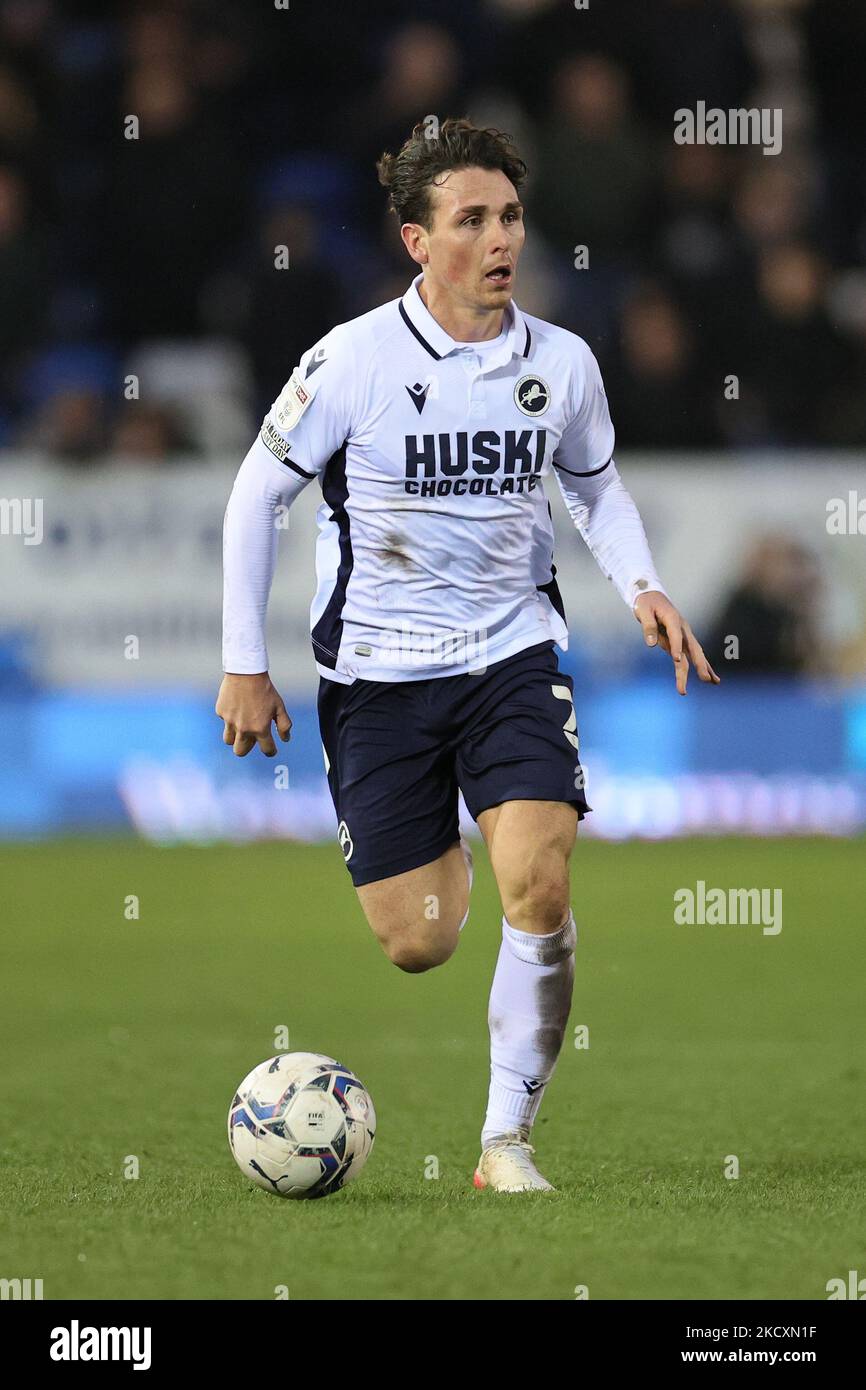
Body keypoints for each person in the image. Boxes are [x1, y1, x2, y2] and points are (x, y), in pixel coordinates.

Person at [217, 118, 719, 1193]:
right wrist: (242, 661)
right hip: (379, 678)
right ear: (416, 241)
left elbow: (591, 484)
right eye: (471, 220)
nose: (500, 240)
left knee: (537, 883)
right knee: (421, 940)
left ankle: (503, 1144)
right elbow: (257, 494)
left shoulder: (562, 363)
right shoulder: (351, 360)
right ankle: (452, 826)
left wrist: (642, 584)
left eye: (510, 217)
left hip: (510, 655)